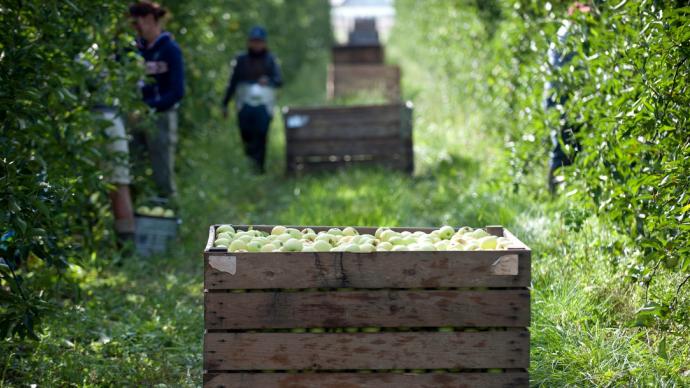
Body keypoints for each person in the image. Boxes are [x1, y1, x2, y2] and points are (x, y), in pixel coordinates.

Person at [128, 1, 184, 200]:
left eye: (137, 23)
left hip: (161, 117)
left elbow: (177, 92)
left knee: (162, 171)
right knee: (132, 168)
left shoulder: (170, 49)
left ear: (150, 20)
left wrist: (148, 108)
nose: (135, 28)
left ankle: (170, 214)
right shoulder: (135, 50)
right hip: (134, 117)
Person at [221, 26, 283, 173]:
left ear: (264, 43)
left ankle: (259, 168)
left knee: (261, 134)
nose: (256, 45)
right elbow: (232, 83)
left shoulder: (270, 60)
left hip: (263, 104)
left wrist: (267, 81)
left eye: (259, 41)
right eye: (254, 41)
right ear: (249, 42)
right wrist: (225, 103)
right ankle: (250, 165)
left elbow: (279, 80)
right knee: (246, 134)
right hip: (244, 104)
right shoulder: (241, 60)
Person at [544, 2, 591, 194]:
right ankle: (555, 195)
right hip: (561, 100)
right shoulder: (571, 34)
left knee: (568, 146)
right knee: (564, 147)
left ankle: (565, 194)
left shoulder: (567, 31)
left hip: (560, 99)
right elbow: (572, 73)